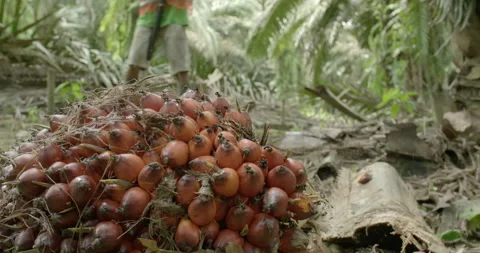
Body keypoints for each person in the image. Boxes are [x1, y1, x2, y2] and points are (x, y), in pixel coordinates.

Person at [126, 0, 192, 93]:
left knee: (180, 67)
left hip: (174, 13)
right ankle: (126, 97)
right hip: (148, 14)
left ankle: (186, 101)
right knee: (135, 61)